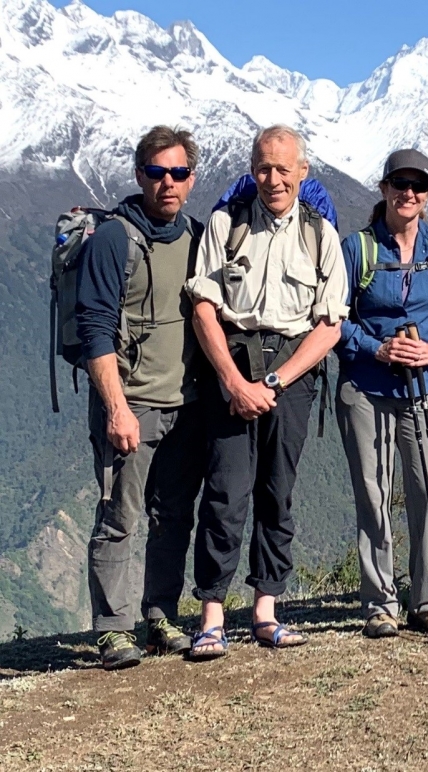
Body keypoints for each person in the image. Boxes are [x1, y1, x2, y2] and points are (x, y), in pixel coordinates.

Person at [185, 124, 347, 658]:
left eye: (283, 169)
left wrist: (274, 381)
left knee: (278, 491)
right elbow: (203, 307)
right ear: (250, 169)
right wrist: (234, 381)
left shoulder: (320, 233)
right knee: (226, 492)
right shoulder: (225, 224)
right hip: (230, 366)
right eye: (263, 167)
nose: (273, 179)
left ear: (302, 171)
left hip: (291, 374)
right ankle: (211, 615)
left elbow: (329, 325)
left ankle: (265, 610)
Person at [76, 125, 206, 670]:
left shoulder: (198, 236)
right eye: (156, 173)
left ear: (191, 179)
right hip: (132, 404)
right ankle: (111, 629)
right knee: (119, 516)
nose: (167, 184)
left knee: (173, 515)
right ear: (139, 176)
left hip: (187, 404)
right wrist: (116, 408)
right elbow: (95, 329)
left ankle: (158, 616)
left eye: (177, 173)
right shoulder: (114, 239)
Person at [336, 149, 428, 639]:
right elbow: (334, 320)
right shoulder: (358, 248)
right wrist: (377, 348)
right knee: (373, 494)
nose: (408, 193)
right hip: (366, 387)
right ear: (384, 188)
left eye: (418, 186)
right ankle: (379, 603)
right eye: (399, 184)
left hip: (425, 386)